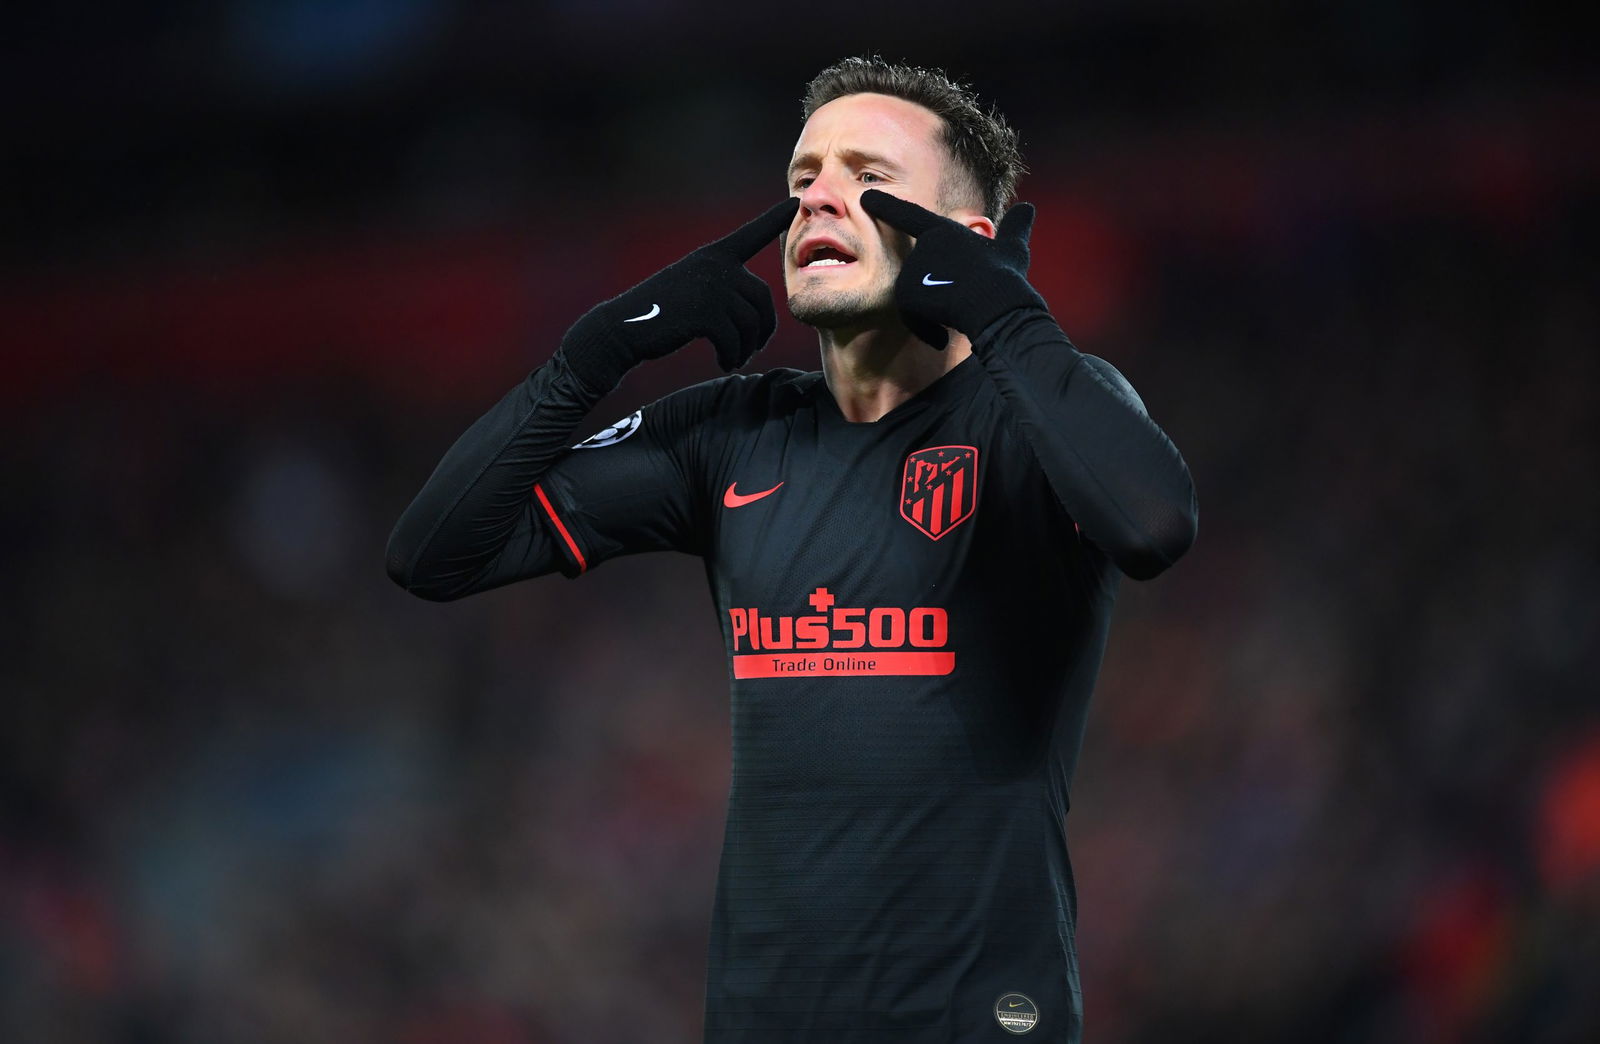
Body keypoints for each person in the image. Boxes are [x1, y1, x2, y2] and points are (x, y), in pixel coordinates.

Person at [388, 55, 1197, 1043]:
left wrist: (1005, 315)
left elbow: (1153, 525)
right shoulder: (732, 431)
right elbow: (434, 555)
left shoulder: (1036, 415)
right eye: (803, 177)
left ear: (966, 239)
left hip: (976, 1021)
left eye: (867, 177)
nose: (818, 197)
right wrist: (591, 355)